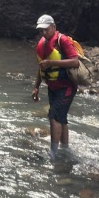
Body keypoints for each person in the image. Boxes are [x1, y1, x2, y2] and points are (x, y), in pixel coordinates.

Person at [31, 14, 80, 158]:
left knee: (54, 116)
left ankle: (53, 152)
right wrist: (36, 86)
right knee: (61, 118)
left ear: (53, 27)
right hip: (53, 87)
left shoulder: (62, 40)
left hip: (67, 86)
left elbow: (75, 62)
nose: (44, 33)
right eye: (41, 30)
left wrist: (52, 63)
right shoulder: (42, 43)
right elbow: (42, 67)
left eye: (46, 29)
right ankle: (65, 149)